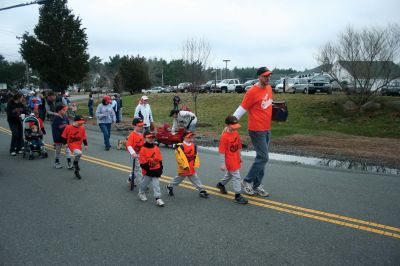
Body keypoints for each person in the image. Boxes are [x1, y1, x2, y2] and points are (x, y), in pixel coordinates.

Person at [232, 66, 273, 197]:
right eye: (265, 76)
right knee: (264, 157)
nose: (268, 78)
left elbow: (266, 105)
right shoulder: (252, 92)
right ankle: (247, 181)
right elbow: (241, 109)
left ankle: (257, 184)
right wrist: (230, 124)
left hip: (267, 128)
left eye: (269, 75)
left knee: (262, 158)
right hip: (256, 129)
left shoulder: (269, 88)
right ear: (259, 77)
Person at [166, 131, 209, 199]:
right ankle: (170, 186)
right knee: (178, 180)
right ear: (184, 138)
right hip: (184, 168)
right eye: (189, 137)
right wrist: (185, 166)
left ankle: (201, 190)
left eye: (192, 137)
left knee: (195, 179)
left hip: (191, 167)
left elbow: (195, 155)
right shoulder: (180, 147)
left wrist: (195, 164)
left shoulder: (194, 146)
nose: (191, 138)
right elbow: (179, 158)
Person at [216, 115, 248, 204]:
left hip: (235, 158)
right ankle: (237, 195)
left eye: (235, 126)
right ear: (227, 125)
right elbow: (222, 152)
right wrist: (222, 163)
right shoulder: (224, 137)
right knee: (237, 176)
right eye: (232, 127)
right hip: (229, 160)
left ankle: (221, 185)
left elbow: (239, 146)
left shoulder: (236, 133)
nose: (234, 128)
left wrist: (240, 157)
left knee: (230, 174)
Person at [138, 131, 165, 207]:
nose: (151, 139)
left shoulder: (156, 148)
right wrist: (149, 171)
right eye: (149, 137)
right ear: (145, 138)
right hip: (147, 171)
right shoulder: (143, 149)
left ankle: (158, 198)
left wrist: (160, 169)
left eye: (152, 137)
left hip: (156, 171)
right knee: (144, 184)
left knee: (156, 185)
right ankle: (141, 193)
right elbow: (142, 163)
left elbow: (160, 160)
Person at [61, 115, 88, 179]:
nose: (81, 123)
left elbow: (84, 137)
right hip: (70, 144)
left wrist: (86, 145)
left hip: (78, 145)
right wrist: (65, 143)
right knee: (79, 153)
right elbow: (63, 136)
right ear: (75, 121)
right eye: (80, 122)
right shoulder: (68, 127)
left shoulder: (82, 128)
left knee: (78, 157)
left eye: (82, 122)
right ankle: (74, 163)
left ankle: (76, 171)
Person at [126, 118, 145, 187]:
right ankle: (143, 185)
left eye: (141, 126)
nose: (141, 127)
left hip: (140, 154)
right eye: (139, 126)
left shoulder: (141, 135)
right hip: (134, 154)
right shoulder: (132, 135)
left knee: (137, 169)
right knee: (138, 169)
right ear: (134, 126)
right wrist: (133, 153)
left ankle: (130, 178)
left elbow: (143, 145)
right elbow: (129, 145)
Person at [51, 105, 70, 169]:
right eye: (63, 110)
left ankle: (69, 164)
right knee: (58, 151)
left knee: (67, 149)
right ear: (59, 111)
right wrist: (57, 138)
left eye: (65, 110)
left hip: (65, 137)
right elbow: (56, 130)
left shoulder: (65, 117)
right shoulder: (56, 119)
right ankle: (56, 162)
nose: (65, 111)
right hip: (58, 137)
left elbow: (68, 126)